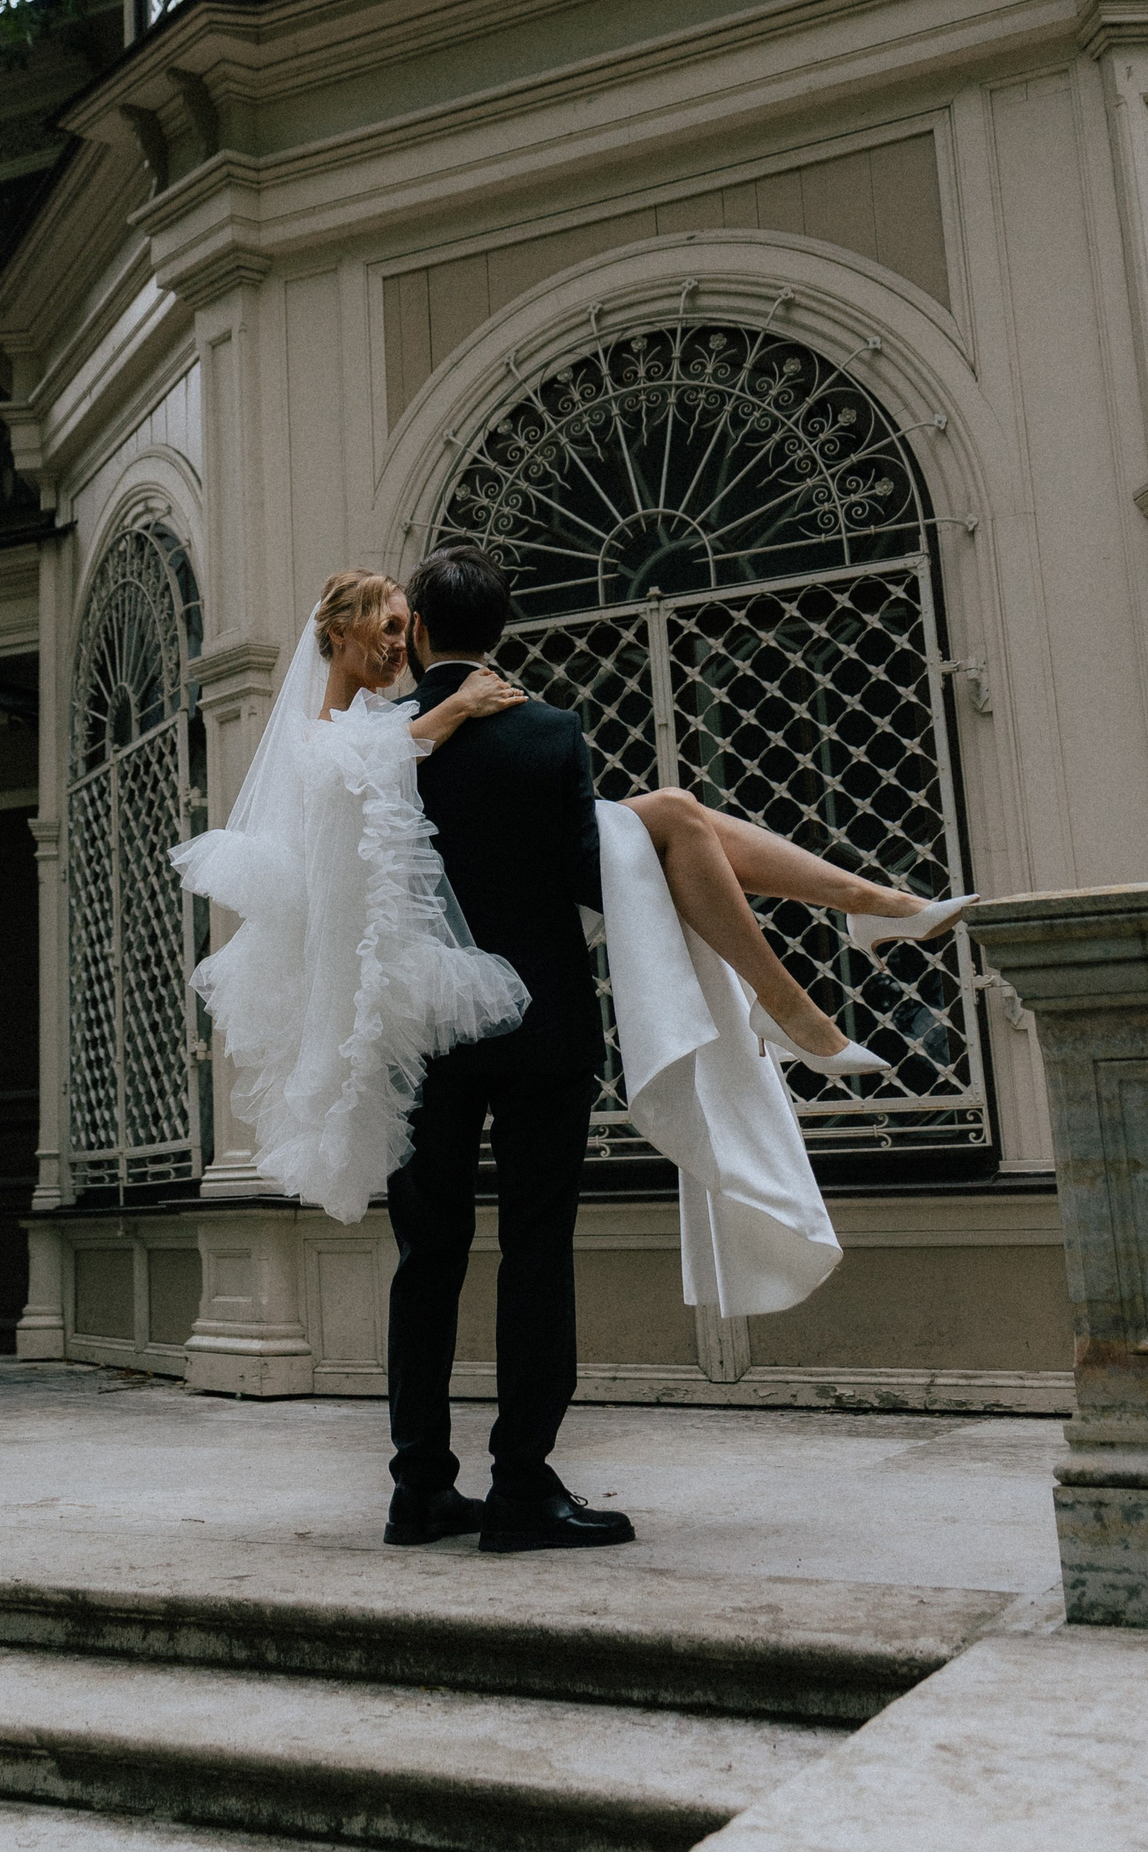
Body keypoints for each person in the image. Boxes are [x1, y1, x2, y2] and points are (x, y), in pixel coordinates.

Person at [176, 550, 975, 1558]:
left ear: (417, 633)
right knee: (536, 1252)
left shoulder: (364, 742)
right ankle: (521, 1486)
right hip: (540, 1028)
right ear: (499, 633)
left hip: (414, 1039)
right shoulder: (547, 731)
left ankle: (419, 1489)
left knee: (427, 1259)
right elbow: (588, 879)